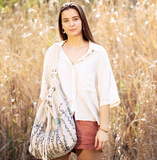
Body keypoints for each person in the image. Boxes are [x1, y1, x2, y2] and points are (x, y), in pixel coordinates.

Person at [37, 2, 120, 160]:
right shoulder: (53, 53)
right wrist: (39, 127)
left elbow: (105, 95)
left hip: (89, 122)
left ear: (82, 21)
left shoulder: (98, 53)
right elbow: (45, 91)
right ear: (61, 25)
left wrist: (104, 129)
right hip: (57, 122)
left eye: (75, 18)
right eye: (66, 20)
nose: (71, 23)